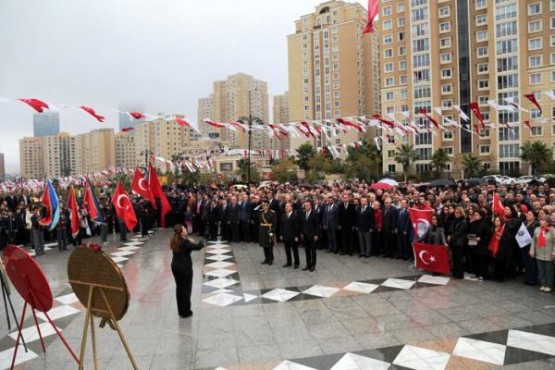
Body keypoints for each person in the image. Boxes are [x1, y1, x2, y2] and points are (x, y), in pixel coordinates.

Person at [170, 224, 204, 318]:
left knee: (179, 288)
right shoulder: (184, 243)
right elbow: (198, 247)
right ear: (181, 232)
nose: (186, 229)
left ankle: (181, 311)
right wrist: (201, 241)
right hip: (184, 268)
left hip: (175, 267)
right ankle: (186, 312)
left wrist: (188, 239)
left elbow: (185, 242)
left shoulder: (175, 240)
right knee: (186, 289)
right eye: (184, 228)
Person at [529, 218, 555, 293]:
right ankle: (543, 283)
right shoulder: (537, 229)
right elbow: (534, 241)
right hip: (539, 253)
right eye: (541, 220)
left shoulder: (552, 230)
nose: (541, 221)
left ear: (548, 222)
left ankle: (549, 285)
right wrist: (532, 250)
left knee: (549, 271)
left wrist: (554, 252)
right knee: (541, 270)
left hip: (549, 254)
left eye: (543, 220)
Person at [448, 207, 468, 279]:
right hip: (453, 242)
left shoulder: (464, 222)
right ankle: (455, 272)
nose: (456, 214)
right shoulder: (454, 220)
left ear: (461, 213)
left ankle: (459, 274)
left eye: (457, 212)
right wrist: (449, 235)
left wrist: (452, 237)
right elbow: (451, 229)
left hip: (459, 242)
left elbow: (459, 232)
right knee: (455, 258)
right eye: (455, 212)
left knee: (459, 259)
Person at [300, 200, 319, 272]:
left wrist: (316, 234)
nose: (306, 207)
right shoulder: (303, 213)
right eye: (305, 205)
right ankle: (308, 264)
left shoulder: (314, 213)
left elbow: (317, 225)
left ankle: (313, 265)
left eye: (308, 205)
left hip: (312, 235)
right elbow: (301, 224)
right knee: (307, 250)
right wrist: (301, 233)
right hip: (305, 235)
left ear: (311, 206)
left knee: (313, 251)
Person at [279, 202, 300, 268]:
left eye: (288, 206)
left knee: (295, 250)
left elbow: (297, 227)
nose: (286, 207)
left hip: (293, 236)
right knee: (287, 250)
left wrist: (296, 236)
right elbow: (281, 226)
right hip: (285, 235)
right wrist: (281, 234)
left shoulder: (295, 216)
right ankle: (289, 262)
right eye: (286, 206)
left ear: (291, 207)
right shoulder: (283, 215)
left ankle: (296, 263)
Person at [258, 199, 276, 265]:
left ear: (268, 205)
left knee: (270, 245)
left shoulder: (272, 213)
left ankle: (271, 259)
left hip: (269, 230)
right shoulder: (260, 212)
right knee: (264, 245)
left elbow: (274, 224)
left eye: (264, 205)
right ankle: (266, 258)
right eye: (262, 205)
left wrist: (272, 232)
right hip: (262, 230)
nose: (263, 206)